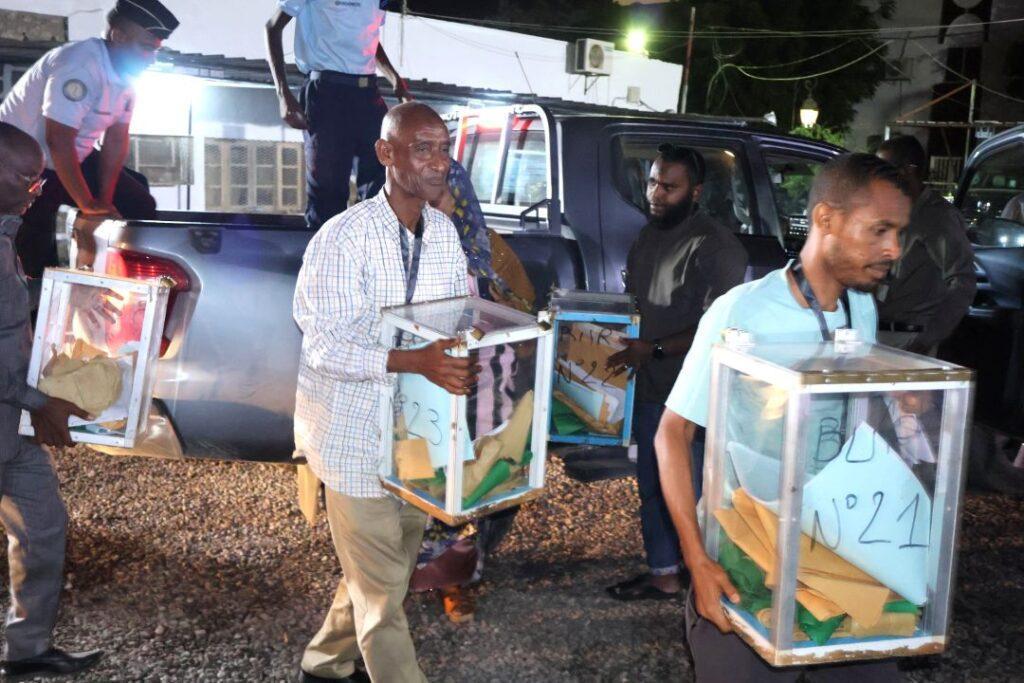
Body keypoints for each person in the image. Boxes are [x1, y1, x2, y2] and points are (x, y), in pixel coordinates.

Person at [656, 153, 912, 682]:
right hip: (747, 554)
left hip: (836, 547)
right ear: (826, 219)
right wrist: (697, 561)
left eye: (898, 233)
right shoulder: (741, 311)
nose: (893, 249)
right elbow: (672, 434)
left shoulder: (861, 309)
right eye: (880, 230)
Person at [292, 102, 475, 683]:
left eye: (443, 148)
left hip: (414, 436)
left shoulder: (443, 234)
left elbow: (453, 322)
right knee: (383, 594)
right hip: (351, 438)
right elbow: (324, 345)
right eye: (423, 148)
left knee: (385, 572)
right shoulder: (343, 238)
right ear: (385, 153)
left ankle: (323, 663)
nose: (439, 162)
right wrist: (414, 360)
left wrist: (467, 353)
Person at [605, 144, 747, 601]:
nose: (656, 194)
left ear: (696, 192)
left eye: (669, 186)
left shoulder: (716, 246)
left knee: (696, 490)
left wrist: (656, 348)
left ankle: (705, 576)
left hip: (693, 394)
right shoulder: (648, 235)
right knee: (652, 482)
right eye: (652, 182)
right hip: (649, 385)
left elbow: (718, 327)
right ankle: (665, 572)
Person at [408, 160, 537, 624]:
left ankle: (455, 579)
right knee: (418, 478)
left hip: (483, 390)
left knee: (471, 483)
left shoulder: (491, 250)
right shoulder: (401, 246)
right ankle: (408, 573)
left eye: (440, 193)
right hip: (421, 385)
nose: (432, 203)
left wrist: (505, 312)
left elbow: (526, 317)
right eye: (423, 193)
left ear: (459, 199)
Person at [0, 122, 103, 678]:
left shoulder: (5, 235)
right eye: (26, 178)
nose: (36, 190)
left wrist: (68, 297)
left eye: (39, 179)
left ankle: (27, 652)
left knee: (42, 532)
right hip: (17, 409)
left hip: (12, 428)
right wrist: (41, 401)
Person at [0, 0, 176, 278]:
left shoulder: (127, 77)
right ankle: (32, 293)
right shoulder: (80, 64)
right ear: (118, 36)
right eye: (146, 48)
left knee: (137, 201)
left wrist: (103, 200)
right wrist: (87, 203)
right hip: (22, 163)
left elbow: (116, 141)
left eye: (156, 50)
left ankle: (126, 277)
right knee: (36, 243)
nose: (151, 59)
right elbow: (58, 139)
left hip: (71, 156)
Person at [266, 0, 413, 230]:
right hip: (327, 92)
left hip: (367, 93)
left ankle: (373, 247)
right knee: (328, 193)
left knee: (384, 180)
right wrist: (282, 93)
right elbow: (272, 27)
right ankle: (325, 248)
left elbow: (368, 40)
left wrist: (395, 79)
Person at [874, 136, 976, 354]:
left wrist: (926, 340)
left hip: (908, 339)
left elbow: (963, 282)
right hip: (876, 334)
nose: (877, 177)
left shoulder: (937, 217)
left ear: (907, 171)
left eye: (883, 170)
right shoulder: (890, 212)